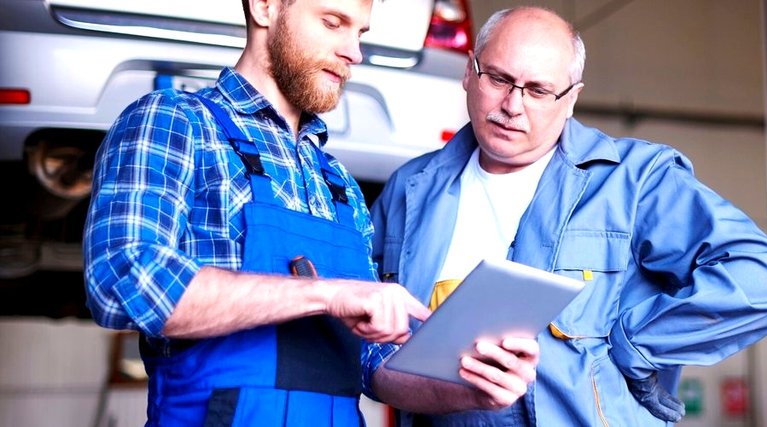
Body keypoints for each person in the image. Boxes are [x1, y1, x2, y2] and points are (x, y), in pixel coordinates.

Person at [83, 0, 538, 425]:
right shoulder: (175, 122)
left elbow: (371, 364)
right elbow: (123, 281)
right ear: (265, 6)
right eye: (332, 23)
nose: (354, 51)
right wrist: (328, 295)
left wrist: (471, 387)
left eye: (360, 32)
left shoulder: (337, 182)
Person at [365, 6, 767, 426]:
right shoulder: (410, 189)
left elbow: (763, 281)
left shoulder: (634, 181)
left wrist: (633, 345)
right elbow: (371, 341)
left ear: (571, 99)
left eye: (538, 90)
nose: (513, 105)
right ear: (469, 72)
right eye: (498, 79)